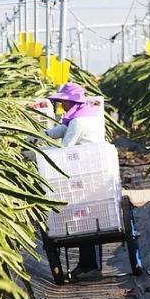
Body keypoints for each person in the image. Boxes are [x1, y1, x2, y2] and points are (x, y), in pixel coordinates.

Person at [46, 82, 104, 277]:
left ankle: (90, 265)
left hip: (82, 173)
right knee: (86, 218)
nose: (62, 104)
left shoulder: (78, 122)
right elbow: (62, 130)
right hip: (94, 169)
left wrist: (42, 152)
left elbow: (66, 147)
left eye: (64, 101)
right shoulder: (89, 115)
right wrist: (41, 135)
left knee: (83, 219)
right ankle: (87, 264)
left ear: (72, 102)